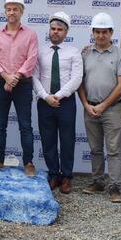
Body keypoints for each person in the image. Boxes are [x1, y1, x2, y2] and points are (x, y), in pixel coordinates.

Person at [78, 12, 121, 203]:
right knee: (95, 148)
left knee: (114, 149)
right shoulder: (85, 54)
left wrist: (103, 105)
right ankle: (98, 181)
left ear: (111, 32)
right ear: (92, 32)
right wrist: (85, 104)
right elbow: (80, 83)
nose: (101, 35)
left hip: (112, 109)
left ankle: (115, 187)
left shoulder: (120, 54)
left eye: (104, 32)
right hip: (89, 107)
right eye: (97, 32)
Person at [0, 0, 38, 175]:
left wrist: (15, 77)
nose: (11, 12)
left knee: (26, 125)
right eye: (8, 9)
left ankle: (29, 163)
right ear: (5, 11)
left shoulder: (30, 35)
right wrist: (6, 77)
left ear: (22, 11)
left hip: (23, 84)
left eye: (15, 9)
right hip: (1, 83)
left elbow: (31, 59)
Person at [32, 12, 82, 194]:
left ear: (66, 32)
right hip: (44, 102)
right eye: (53, 29)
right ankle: (54, 174)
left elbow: (77, 78)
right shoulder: (40, 51)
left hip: (65, 103)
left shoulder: (73, 52)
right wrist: (46, 96)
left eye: (60, 29)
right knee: (48, 139)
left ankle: (67, 176)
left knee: (67, 140)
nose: (55, 32)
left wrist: (58, 96)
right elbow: (34, 76)